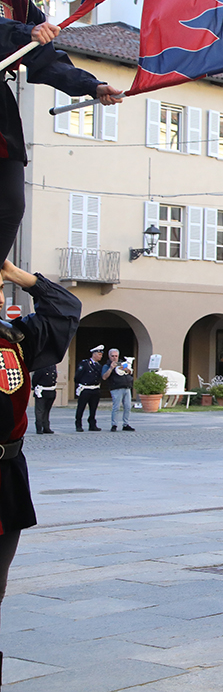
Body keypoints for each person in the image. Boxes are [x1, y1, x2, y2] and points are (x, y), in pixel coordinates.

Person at [0, 0, 124, 262]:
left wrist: (92, 85)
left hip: (0, 112)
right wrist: (24, 32)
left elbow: (46, 59)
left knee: (10, 205)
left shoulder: (20, 2)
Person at [0, 260, 81, 653]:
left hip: (6, 477)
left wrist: (19, 275)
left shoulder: (15, 339)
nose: (0, 294)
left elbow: (65, 309)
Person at [73, 345, 105, 432]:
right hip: (86, 389)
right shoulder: (85, 364)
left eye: (101, 354)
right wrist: (80, 385)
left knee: (93, 408)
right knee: (81, 407)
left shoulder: (99, 366)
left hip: (95, 389)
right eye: (99, 354)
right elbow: (77, 377)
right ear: (94, 354)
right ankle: (78, 424)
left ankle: (92, 424)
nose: (100, 356)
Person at [103, 349, 135, 432]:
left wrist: (127, 369)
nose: (114, 358)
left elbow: (129, 372)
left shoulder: (122, 364)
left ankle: (126, 424)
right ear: (109, 356)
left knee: (127, 407)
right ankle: (114, 425)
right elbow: (104, 377)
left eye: (116, 356)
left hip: (126, 387)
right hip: (116, 388)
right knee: (116, 407)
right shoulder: (106, 365)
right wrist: (111, 368)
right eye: (112, 356)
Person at [29, 363, 55, 435]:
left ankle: (46, 427)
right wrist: (35, 387)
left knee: (47, 410)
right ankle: (39, 427)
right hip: (41, 391)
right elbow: (35, 379)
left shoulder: (52, 366)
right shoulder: (40, 367)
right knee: (40, 410)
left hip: (50, 391)